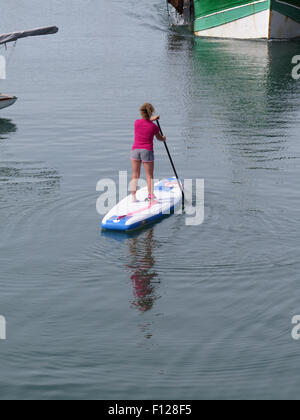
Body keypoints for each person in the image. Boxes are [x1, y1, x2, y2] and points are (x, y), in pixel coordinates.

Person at [131, 103, 166, 203]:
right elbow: (159, 138)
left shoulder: (136, 122)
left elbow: (144, 122)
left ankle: (133, 197)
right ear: (151, 112)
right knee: (149, 175)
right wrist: (164, 138)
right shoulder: (154, 127)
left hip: (135, 151)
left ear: (141, 112)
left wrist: (151, 119)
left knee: (135, 175)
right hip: (147, 151)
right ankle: (151, 197)